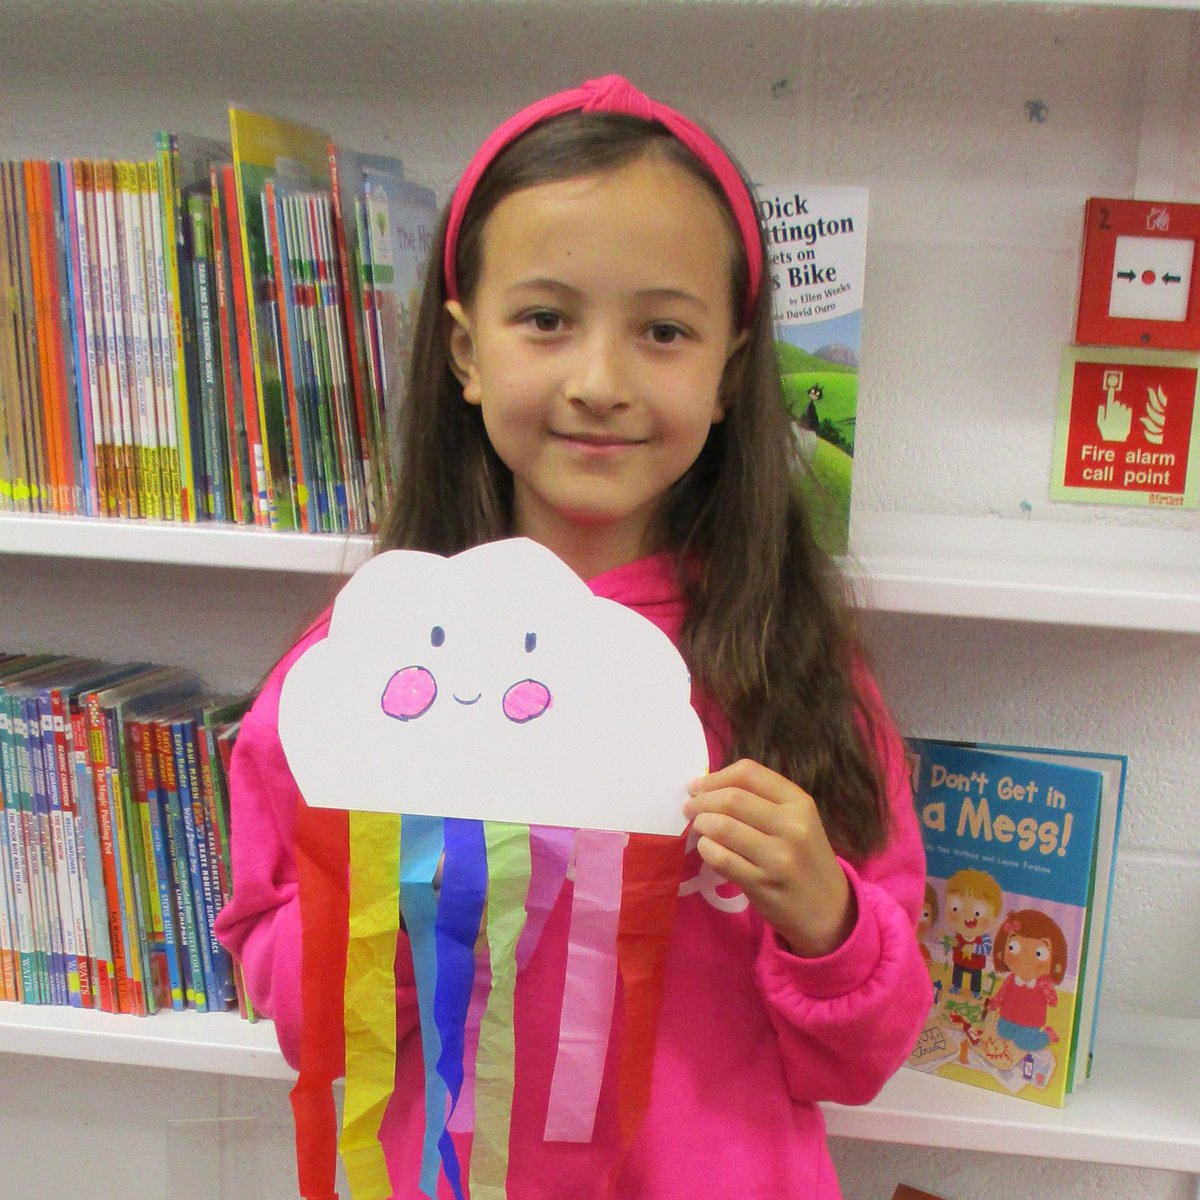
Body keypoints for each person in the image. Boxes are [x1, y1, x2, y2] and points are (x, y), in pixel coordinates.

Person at [215, 73, 929, 1200]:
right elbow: (302, 1020)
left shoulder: (790, 664)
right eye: (546, 319)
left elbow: (866, 1054)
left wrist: (824, 915)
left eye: (663, 330)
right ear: (464, 352)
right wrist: (412, 905)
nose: (601, 382)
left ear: (731, 369)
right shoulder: (364, 671)